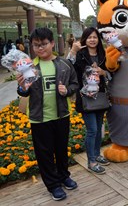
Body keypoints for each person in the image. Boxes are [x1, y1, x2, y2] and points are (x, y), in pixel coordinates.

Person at [16, 27, 79, 201]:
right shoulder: (30, 67)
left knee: (61, 149)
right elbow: (24, 93)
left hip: (61, 115)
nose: (40, 48)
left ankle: (64, 176)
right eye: (36, 45)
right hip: (39, 118)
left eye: (44, 44)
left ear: (52, 43)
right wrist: (22, 86)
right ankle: (53, 185)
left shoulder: (64, 64)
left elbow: (75, 84)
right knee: (44, 153)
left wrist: (67, 90)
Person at [68, 27, 110, 174]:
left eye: (95, 37)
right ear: (84, 39)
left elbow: (110, 72)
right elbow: (68, 68)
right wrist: (73, 51)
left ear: (98, 39)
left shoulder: (102, 54)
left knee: (98, 129)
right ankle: (91, 161)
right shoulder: (80, 55)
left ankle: (97, 155)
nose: (92, 40)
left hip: (100, 95)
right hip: (85, 97)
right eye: (89, 37)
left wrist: (103, 72)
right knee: (92, 130)